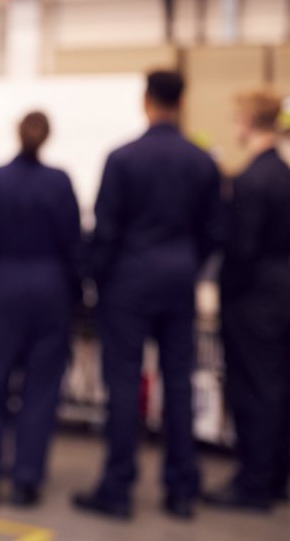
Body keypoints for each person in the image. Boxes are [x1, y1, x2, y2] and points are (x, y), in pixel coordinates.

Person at [74, 70, 223, 521]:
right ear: (182, 101)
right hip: (178, 282)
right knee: (178, 382)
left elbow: (106, 231)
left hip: (128, 284)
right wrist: (186, 265)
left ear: (146, 101)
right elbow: (214, 231)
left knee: (124, 385)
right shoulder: (203, 161)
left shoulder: (122, 158)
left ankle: (117, 489)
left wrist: (96, 281)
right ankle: (181, 490)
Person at [0, 112, 80, 507]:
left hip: (1, 289)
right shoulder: (59, 182)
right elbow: (73, 245)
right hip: (50, 290)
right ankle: (26, 478)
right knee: (41, 390)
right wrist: (76, 296)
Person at [203, 90, 290, 512]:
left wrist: (227, 290)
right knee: (278, 384)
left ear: (247, 121)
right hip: (282, 284)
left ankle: (253, 484)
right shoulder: (286, 174)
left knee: (252, 387)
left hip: (253, 295)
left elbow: (241, 248)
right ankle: (276, 476)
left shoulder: (252, 179)